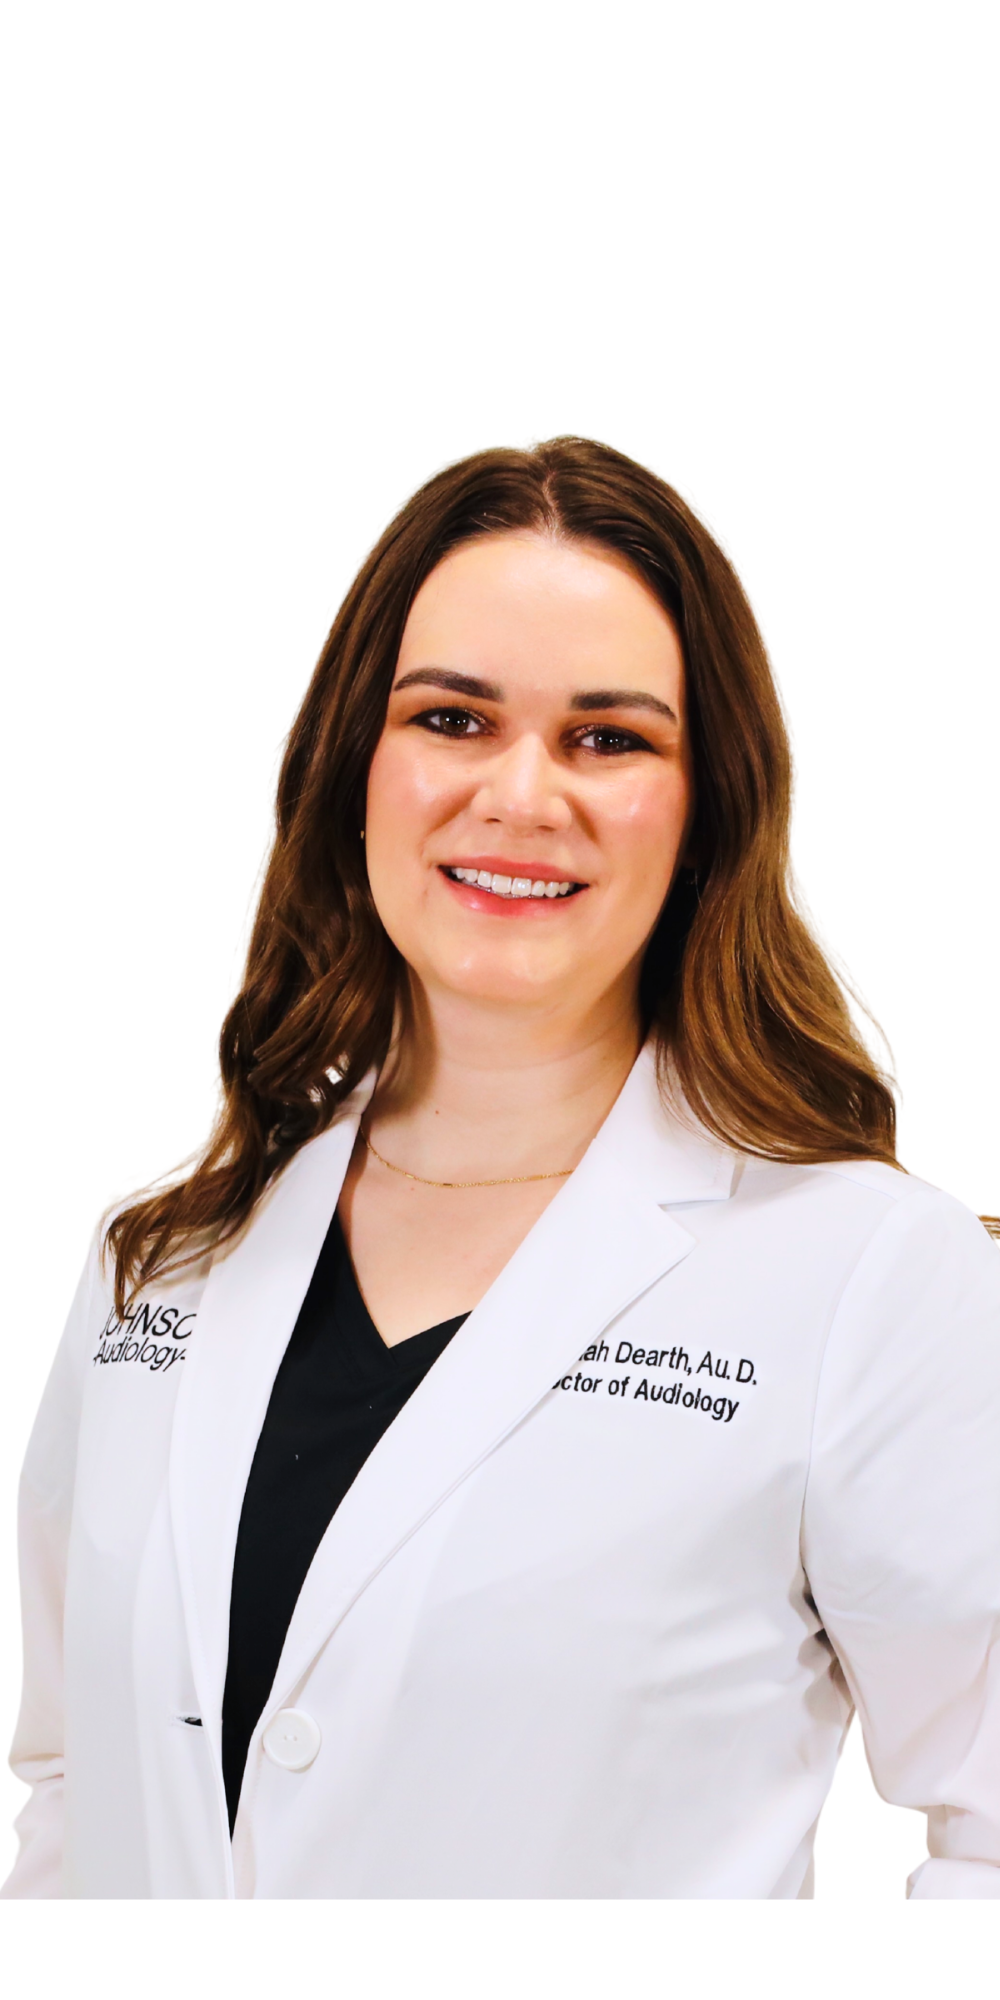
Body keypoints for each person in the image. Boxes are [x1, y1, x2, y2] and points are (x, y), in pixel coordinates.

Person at [3, 437, 999, 1900]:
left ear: (706, 803)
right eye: (454, 718)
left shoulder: (873, 1279)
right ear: (359, 765)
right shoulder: (162, 1260)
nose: (522, 793)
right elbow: (73, 1788)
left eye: (609, 738)